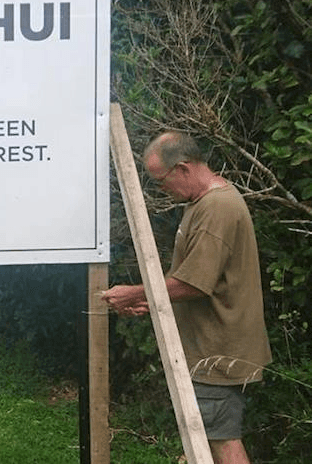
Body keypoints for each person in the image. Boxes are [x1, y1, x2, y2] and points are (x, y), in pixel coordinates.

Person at [101, 131, 272, 464]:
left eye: (160, 180)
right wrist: (151, 302)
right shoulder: (203, 202)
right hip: (209, 348)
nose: (160, 188)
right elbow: (201, 279)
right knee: (203, 443)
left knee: (220, 443)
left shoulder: (216, 208)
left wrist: (134, 292)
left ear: (182, 168)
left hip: (217, 351)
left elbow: (194, 284)